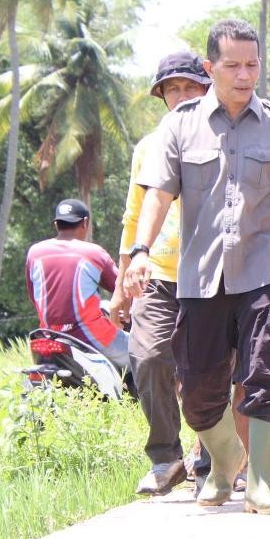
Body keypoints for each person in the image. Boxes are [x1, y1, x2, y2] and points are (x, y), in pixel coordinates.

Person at [123, 18, 270, 513]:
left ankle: (260, 483)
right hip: (200, 277)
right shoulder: (180, 124)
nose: (243, 74)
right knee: (197, 390)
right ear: (210, 67)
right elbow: (158, 194)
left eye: (252, 64)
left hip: (264, 273)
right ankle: (223, 457)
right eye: (232, 65)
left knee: (264, 374)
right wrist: (140, 252)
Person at [113, 52, 211, 496]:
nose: (183, 96)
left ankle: (211, 455)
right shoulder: (148, 148)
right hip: (158, 273)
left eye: (191, 87)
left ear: (207, 89)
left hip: (212, 273)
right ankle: (166, 458)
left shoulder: (224, 136)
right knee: (148, 357)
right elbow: (133, 219)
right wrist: (120, 289)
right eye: (173, 89)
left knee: (208, 370)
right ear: (162, 97)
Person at [25, 199, 128, 372]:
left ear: (57, 224)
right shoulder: (94, 253)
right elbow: (122, 289)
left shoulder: (34, 253)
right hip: (89, 335)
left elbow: (34, 297)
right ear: (85, 223)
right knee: (143, 355)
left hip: (49, 336)